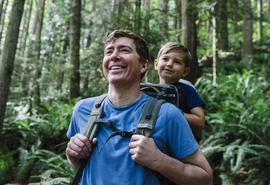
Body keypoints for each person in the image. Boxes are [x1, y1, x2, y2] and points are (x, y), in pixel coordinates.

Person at [66, 30, 212, 185]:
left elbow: (205, 179)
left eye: (124, 50)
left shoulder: (168, 114)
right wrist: (73, 157)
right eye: (109, 51)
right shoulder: (83, 110)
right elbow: (84, 169)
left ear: (143, 65)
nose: (114, 56)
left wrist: (159, 160)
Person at [155, 42, 206, 141]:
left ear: (185, 72)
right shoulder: (149, 91)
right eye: (165, 59)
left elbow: (200, 121)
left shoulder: (187, 90)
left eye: (177, 62)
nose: (169, 64)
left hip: (181, 142)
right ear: (156, 64)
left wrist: (171, 112)